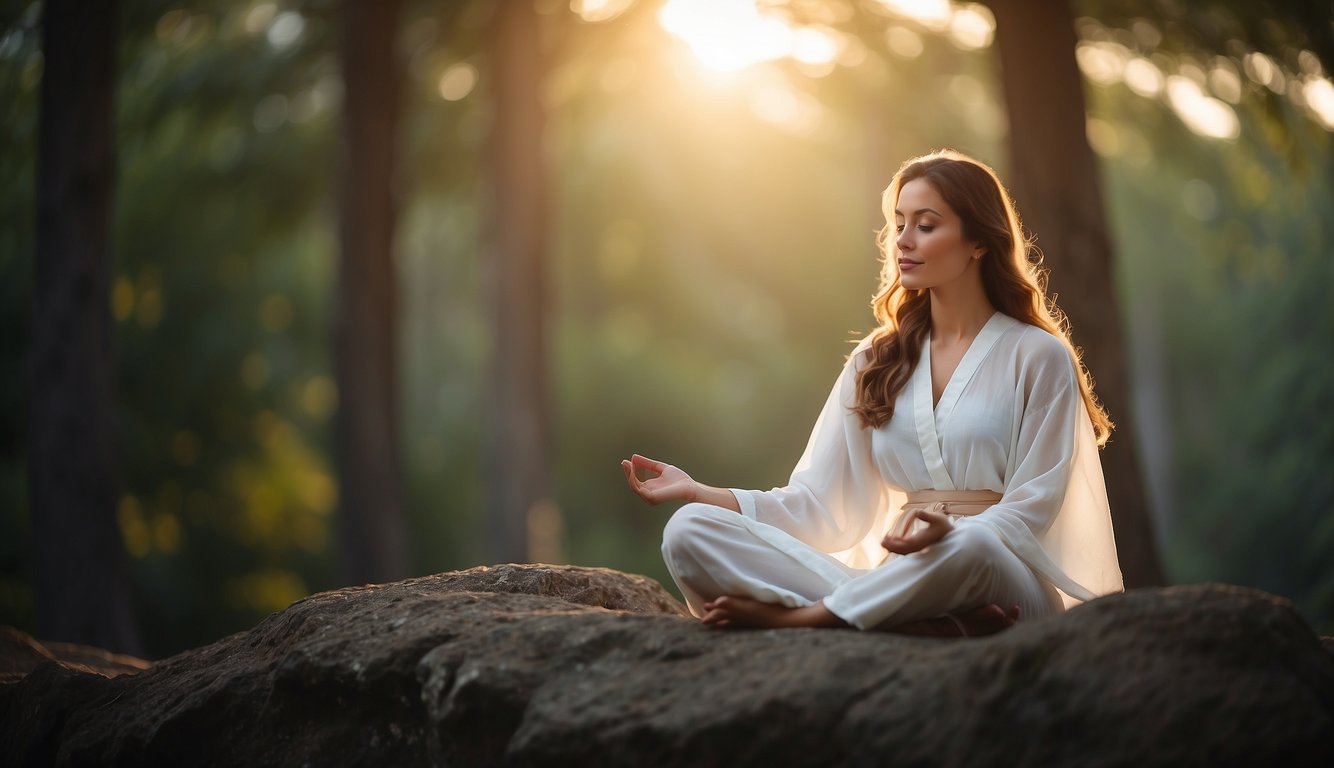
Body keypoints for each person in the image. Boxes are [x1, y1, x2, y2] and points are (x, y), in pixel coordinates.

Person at [620, 149, 1123, 635]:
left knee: (967, 548)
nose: (903, 240)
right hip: (898, 578)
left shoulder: (1038, 355)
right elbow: (821, 506)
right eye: (898, 223)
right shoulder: (875, 358)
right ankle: (917, 625)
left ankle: (806, 620)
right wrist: (700, 492)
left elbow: (1033, 506)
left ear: (978, 242)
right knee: (690, 531)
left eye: (926, 225)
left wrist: (952, 534)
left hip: (996, 574)